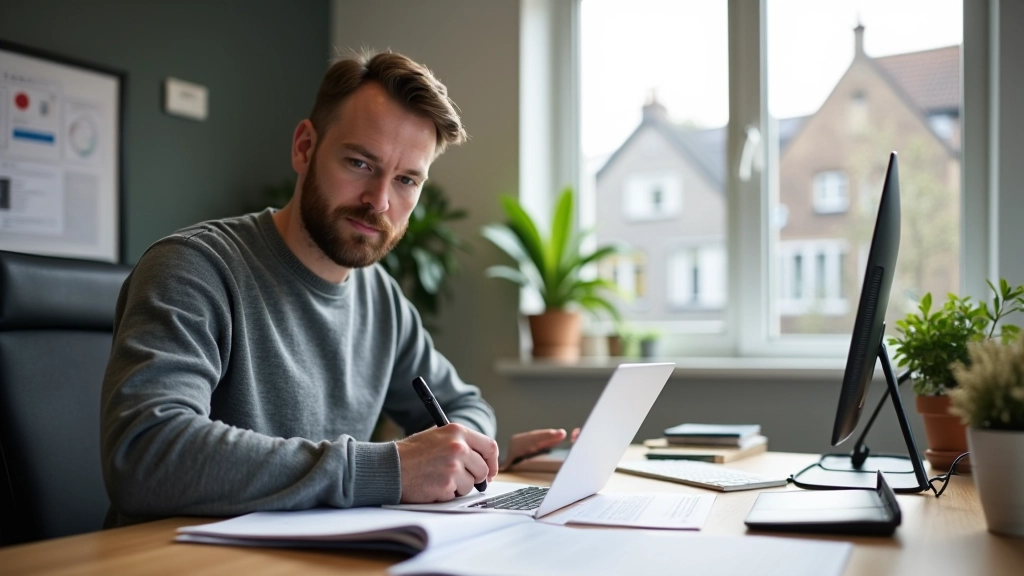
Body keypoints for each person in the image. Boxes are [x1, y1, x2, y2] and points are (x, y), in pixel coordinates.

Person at [100, 50, 569, 527]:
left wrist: (465, 450)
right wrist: (388, 468)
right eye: (361, 163)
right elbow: (144, 454)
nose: (380, 201)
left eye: (407, 179)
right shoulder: (194, 268)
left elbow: (464, 406)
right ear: (305, 147)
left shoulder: (380, 299)